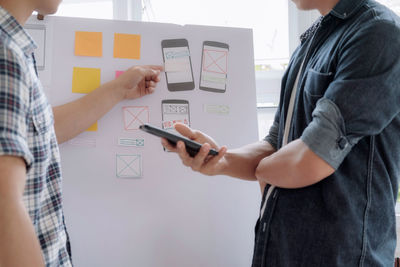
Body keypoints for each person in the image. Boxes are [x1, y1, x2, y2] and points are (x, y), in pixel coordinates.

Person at [163, 0, 400, 266]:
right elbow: (279, 144)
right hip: (283, 252)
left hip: (340, 256)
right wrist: (220, 159)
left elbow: (312, 157)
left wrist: (264, 172)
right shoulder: (313, 40)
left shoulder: (378, 33)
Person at [0, 0, 162, 266]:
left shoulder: (13, 46)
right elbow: (3, 205)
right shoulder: (5, 54)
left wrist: (119, 89)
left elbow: (42, 132)